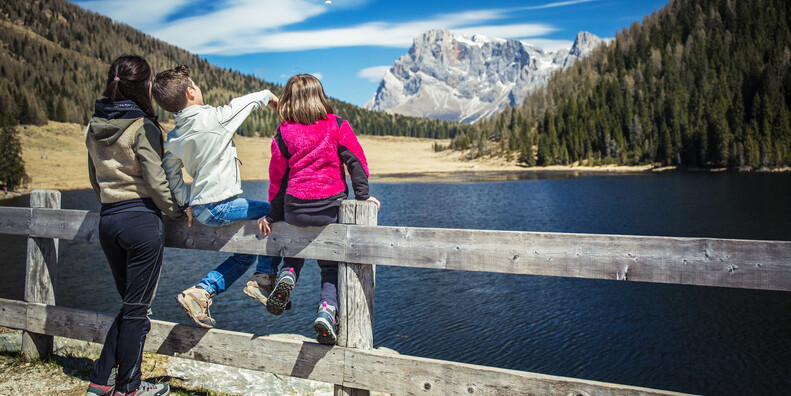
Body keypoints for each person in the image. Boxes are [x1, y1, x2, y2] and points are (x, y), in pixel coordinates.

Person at [152, 65, 283, 329]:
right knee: (274, 213)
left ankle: (201, 293)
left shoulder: (175, 136)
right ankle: (264, 278)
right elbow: (251, 100)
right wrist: (274, 100)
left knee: (245, 253)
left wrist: (185, 203)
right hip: (220, 206)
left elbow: (170, 171)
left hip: (202, 209)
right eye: (196, 86)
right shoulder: (216, 118)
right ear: (191, 92)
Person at [257, 74, 380, 345]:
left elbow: (277, 178)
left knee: (295, 248)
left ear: (287, 101)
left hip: (295, 209)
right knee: (330, 268)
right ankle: (327, 310)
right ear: (320, 98)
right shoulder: (337, 125)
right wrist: (363, 196)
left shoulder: (283, 132)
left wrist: (272, 215)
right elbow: (356, 161)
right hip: (329, 208)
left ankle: (288, 274)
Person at [84, 55, 180, 396]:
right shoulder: (144, 127)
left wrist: (110, 202)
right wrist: (177, 212)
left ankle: (99, 380)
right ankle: (129, 388)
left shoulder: (94, 125)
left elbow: (95, 179)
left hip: (108, 221)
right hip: (140, 221)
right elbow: (156, 182)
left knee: (131, 305)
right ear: (144, 86)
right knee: (138, 311)